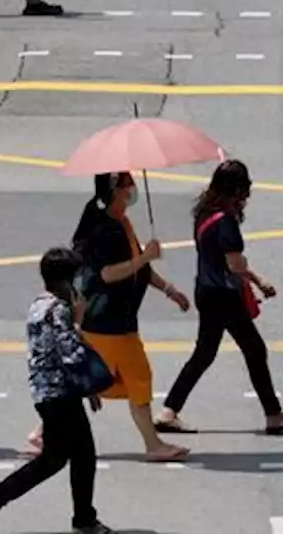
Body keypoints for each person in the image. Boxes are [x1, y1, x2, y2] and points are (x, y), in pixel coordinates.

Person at [154, 160, 283, 435]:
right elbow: (235, 264)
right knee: (253, 349)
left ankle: (169, 411)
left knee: (205, 353)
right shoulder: (225, 222)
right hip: (224, 295)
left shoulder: (204, 213)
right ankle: (273, 414)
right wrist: (259, 281)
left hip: (205, 290)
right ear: (237, 190)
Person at [0, 248, 113, 534]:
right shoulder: (59, 310)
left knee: (54, 458)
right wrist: (79, 320)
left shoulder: (39, 304)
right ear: (65, 280)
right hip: (60, 394)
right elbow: (70, 353)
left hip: (45, 394)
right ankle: (84, 520)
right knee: (84, 456)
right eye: (74, 278)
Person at [68, 171, 191, 462]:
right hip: (107, 321)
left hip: (117, 320)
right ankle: (152, 444)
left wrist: (168, 289)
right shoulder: (105, 229)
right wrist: (145, 257)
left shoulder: (121, 223)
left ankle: (43, 434)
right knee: (134, 378)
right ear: (115, 191)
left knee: (96, 381)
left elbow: (138, 268)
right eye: (127, 185)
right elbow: (109, 273)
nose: (133, 189)